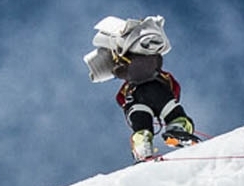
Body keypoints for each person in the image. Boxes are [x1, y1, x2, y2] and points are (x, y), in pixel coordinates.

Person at [84, 15, 198, 161]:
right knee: (173, 113)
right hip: (158, 91)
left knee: (142, 127)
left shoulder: (127, 83)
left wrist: (127, 104)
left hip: (134, 100)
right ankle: (177, 130)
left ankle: (142, 148)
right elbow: (174, 88)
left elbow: (120, 100)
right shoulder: (158, 72)